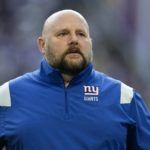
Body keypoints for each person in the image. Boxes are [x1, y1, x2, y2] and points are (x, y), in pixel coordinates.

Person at [0, 9, 150, 150]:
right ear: (42, 45)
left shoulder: (125, 98)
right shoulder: (7, 96)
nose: (74, 40)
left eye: (81, 34)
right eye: (63, 34)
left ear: (90, 43)